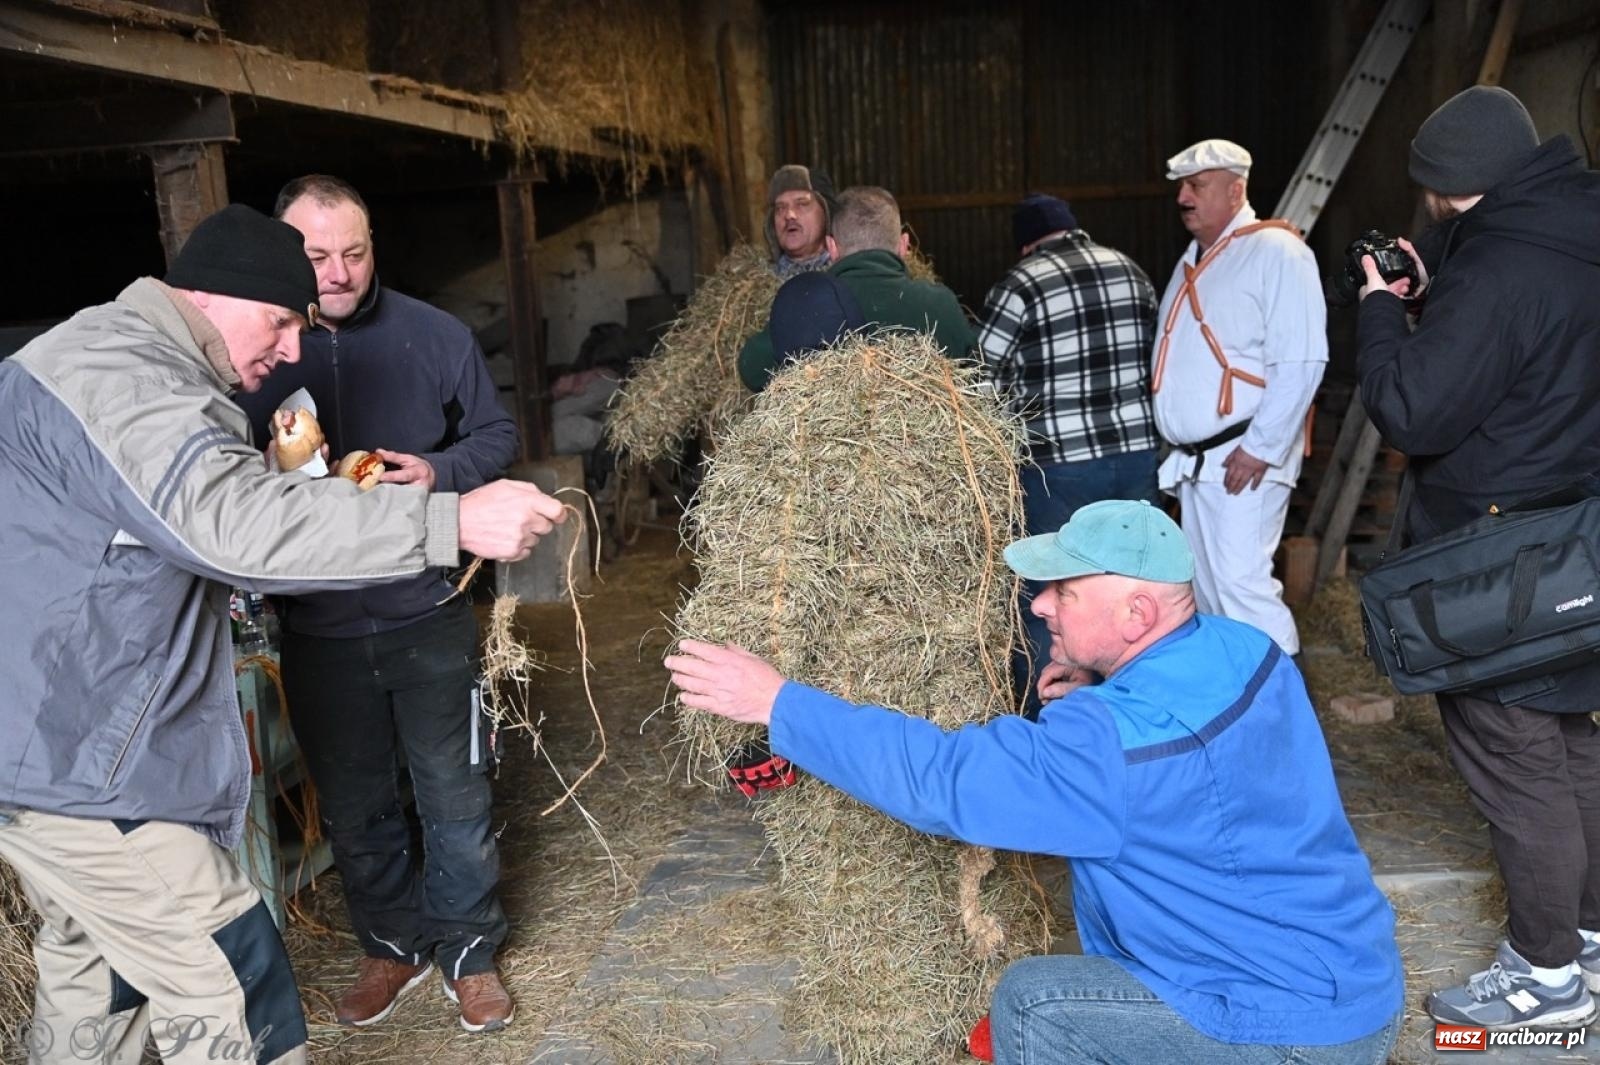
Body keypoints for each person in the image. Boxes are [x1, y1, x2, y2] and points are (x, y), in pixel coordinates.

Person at [0, 203, 565, 1065]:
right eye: (278, 321)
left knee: (103, 979)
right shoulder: (123, 371)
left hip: (57, 748)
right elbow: (227, 523)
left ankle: (461, 949)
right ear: (212, 294)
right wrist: (448, 520)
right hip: (85, 759)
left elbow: (155, 520)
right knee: (235, 980)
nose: (290, 350)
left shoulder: (113, 358)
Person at [666, 499, 1403, 1064]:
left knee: (1034, 1000)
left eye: (1064, 591)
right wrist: (1105, 676)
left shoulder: (1106, 747)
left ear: (1137, 612)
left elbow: (947, 779)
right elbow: (1182, 753)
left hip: (1287, 1027)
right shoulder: (1248, 649)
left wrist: (778, 702)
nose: (1041, 603)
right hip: (1352, 978)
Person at [235, 174, 521, 1033]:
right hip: (316, 626)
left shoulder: (434, 334)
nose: (338, 271)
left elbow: (498, 434)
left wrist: (442, 471)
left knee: (455, 793)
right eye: (317, 255)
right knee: (356, 805)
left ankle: (470, 950)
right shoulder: (259, 356)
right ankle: (390, 944)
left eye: (354, 252)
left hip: (425, 608)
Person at [1357, 85, 1600, 1031]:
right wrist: (1440, 292)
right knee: (1575, 741)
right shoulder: (1570, 238)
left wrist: (1382, 311)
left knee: (1515, 755)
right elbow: (1522, 363)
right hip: (1580, 538)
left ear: (1452, 189)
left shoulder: (1499, 270)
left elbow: (1415, 408)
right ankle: (1585, 939)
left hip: (1500, 559)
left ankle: (1546, 980)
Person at [978, 193, 1161, 713]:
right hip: (1135, 457)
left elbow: (983, 382)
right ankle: (1136, 711)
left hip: (1057, 467)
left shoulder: (1021, 284)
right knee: (1133, 589)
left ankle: (1050, 720)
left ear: (1027, 243)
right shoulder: (1131, 271)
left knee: (1049, 598)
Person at [1150, 139, 1325, 662]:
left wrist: (1262, 447)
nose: (1184, 197)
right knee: (1207, 593)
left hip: (1242, 457)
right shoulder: (1194, 260)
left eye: (1197, 186)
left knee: (1241, 587)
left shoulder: (1277, 252)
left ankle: (1284, 710)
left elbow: (1302, 360)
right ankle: (1237, 715)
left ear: (1236, 190)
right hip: (1200, 464)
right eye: (1182, 187)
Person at [740, 186, 976, 391]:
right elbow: (973, 375)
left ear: (831, 247)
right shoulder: (941, 304)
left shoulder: (806, 305)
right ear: (904, 245)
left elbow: (751, 370)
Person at [765, 164, 838, 279]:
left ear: (826, 213)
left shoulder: (847, 276)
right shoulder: (756, 281)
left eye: (802, 204)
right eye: (780, 208)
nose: (789, 215)